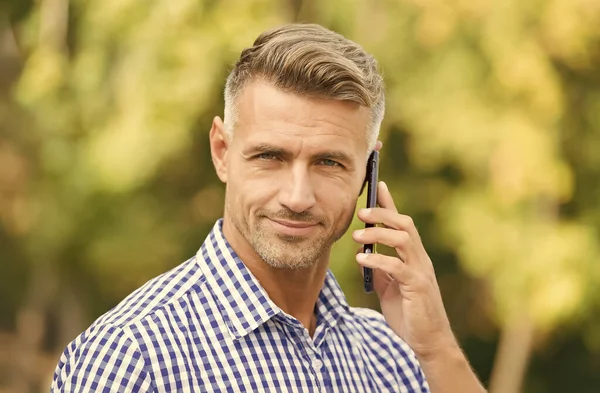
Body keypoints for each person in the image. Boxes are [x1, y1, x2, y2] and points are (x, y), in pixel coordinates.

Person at [50, 24, 485, 392]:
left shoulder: (393, 356)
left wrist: (437, 349)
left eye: (329, 162)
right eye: (269, 156)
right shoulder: (132, 357)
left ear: (368, 171)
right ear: (222, 151)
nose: (297, 197)